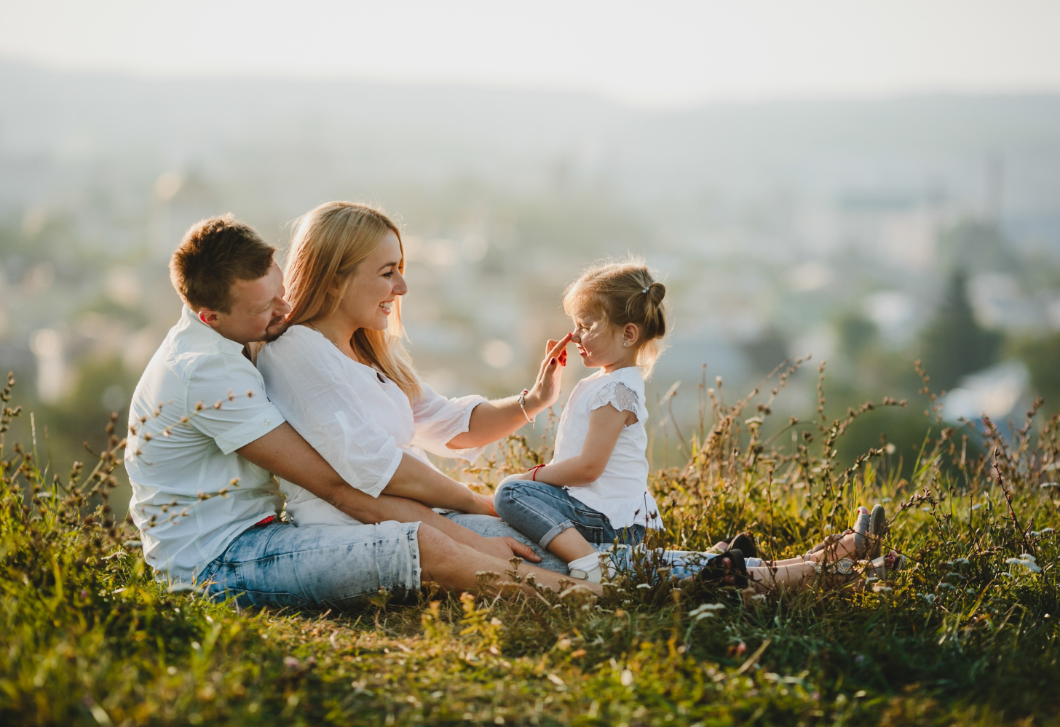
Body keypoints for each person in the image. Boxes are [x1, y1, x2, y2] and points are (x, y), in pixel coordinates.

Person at [256, 202, 901, 600]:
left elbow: (445, 424)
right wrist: (476, 508)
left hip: (416, 517)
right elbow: (373, 469)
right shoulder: (299, 354)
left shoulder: (368, 357)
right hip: (371, 534)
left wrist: (533, 400)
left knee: (593, 559)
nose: (404, 285)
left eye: (402, 266)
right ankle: (802, 571)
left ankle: (805, 568)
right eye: (387, 270)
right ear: (336, 275)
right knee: (583, 561)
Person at [125, 214, 599, 609]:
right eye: (265, 307)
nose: (284, 309)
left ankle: (612, 580)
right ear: (212, 317)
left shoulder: (241, 342)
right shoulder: (208, 371)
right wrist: (475, 519)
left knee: (522, 535)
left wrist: (530, 402)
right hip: (217, 560)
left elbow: (439, 421)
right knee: (419, 544)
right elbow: (335, 485)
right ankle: (587, 599)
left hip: (265, 532)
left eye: (280, 290)